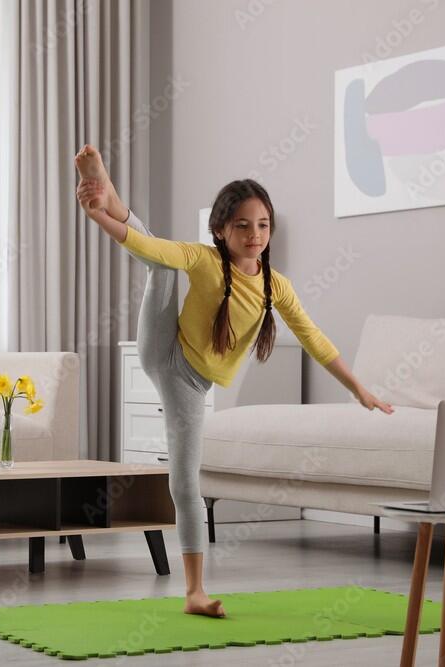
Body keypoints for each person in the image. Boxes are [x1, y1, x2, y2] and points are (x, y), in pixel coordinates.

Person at [74, 144, 394, 618]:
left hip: (195, 381)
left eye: (263, 225)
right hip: (166, 356)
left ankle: (109, 193)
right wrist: (99, 218)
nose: (254, 235)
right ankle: (195, 592)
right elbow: (149, 248)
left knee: (161, 262)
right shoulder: (203, 259)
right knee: (186, 483)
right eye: (242, 225)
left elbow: (313, 338)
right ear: (220, 230)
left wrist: (357, 387)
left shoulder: (275, 286)